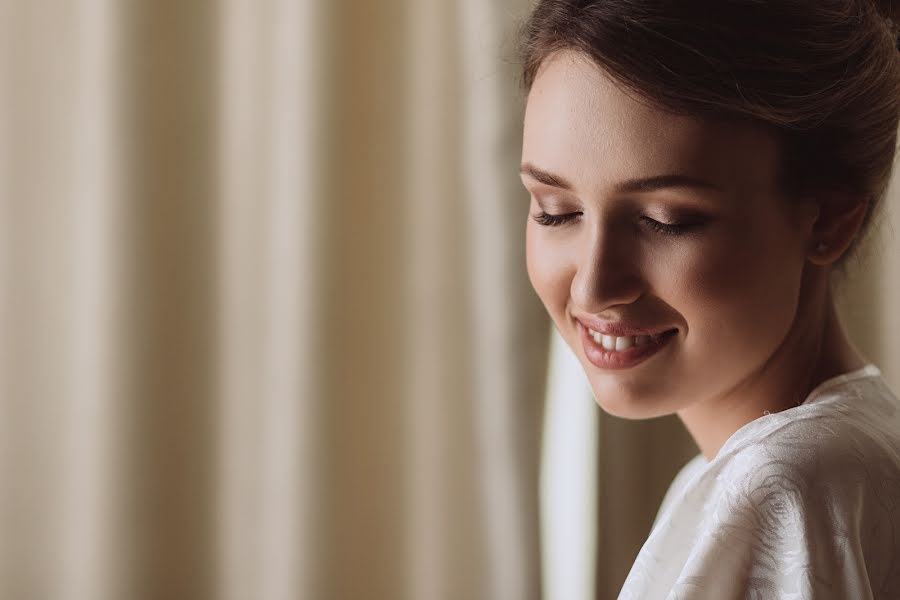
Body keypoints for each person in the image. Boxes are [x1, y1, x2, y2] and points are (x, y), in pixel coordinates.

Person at [516, 1, 900, 597]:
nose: (593, 285)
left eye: (666, 221)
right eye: (555, 211)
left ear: (827, 219)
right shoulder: (851, 457)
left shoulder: (783, 486)